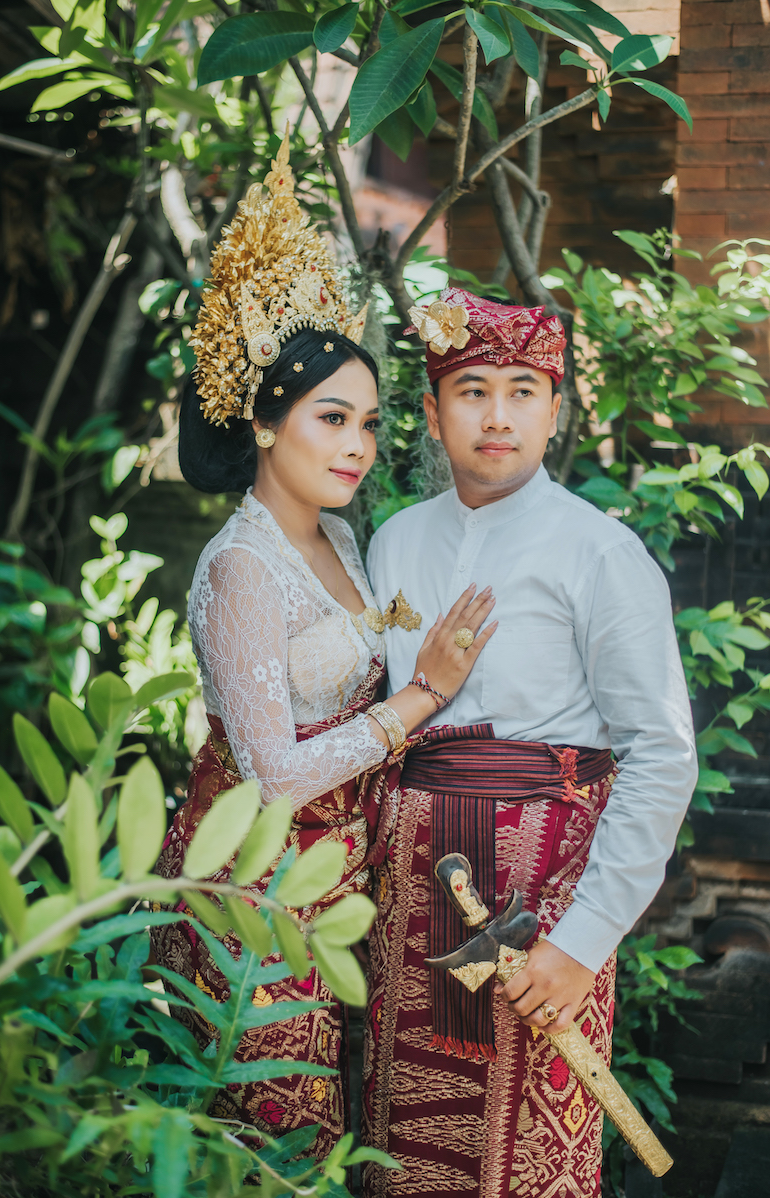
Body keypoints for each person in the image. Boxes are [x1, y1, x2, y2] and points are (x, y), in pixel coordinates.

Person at [150, 140, 496, 1160]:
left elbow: (365, 629)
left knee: (341, 1115)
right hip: (254, 888)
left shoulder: (338, 537)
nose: (357, 445)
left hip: (342, 879)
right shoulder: (240, 568)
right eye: (331, 418)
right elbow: (273, 774)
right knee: (270, 1134)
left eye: (368, 423)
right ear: (265, 423)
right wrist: (421, 698)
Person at [362, 289, 698, 1198]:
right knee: (402, 1143)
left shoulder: (601, 554)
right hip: (412, 901)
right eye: (471, 391)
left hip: (540, 911)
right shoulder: (393, 544)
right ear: (433, 411)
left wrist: (582, 941)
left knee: (523, 1153)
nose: (497, 416)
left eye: (522, 391)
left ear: (557, 408)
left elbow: (662, 753)